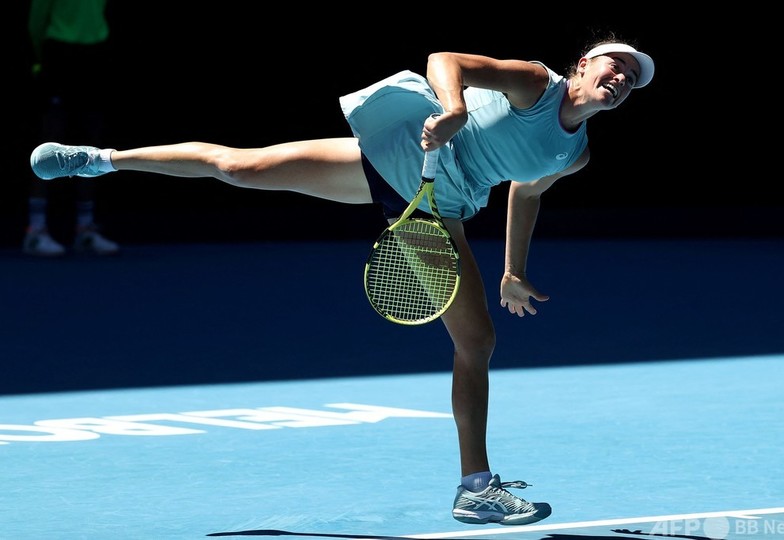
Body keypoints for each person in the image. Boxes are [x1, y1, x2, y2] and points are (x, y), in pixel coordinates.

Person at [29, 35, 654, 525]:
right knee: (239, 167)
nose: (622, 78)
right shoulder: (534, 83)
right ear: (582, 65)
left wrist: (513, 270)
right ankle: (102, 160)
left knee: (477, 341)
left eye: (632, 77)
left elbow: (527, 191)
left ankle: (475, 489)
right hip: (396, 157)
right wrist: (453, 108)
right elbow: (446, 60)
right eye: (615, 65)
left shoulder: (574, 154)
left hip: (438, 209)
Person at [24, 0, 119, 256]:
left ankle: (85, 229)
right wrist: (41, 56)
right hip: (59, 52)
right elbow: (36, 20)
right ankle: (36, 230)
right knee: (49, 140)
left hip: (95, 52)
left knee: (94, 141)